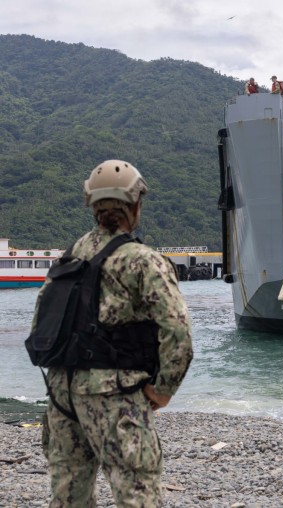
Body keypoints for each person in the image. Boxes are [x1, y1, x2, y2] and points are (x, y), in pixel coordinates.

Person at [35, 160, 193, 506]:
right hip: (115, 395)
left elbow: (42, 320)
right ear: (135, 205)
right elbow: (177, 333)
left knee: (67, 492)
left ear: (93, 207)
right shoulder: (141, 260)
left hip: (62, 394)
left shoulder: (69, 258)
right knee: (136, 488)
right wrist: (163, 390)